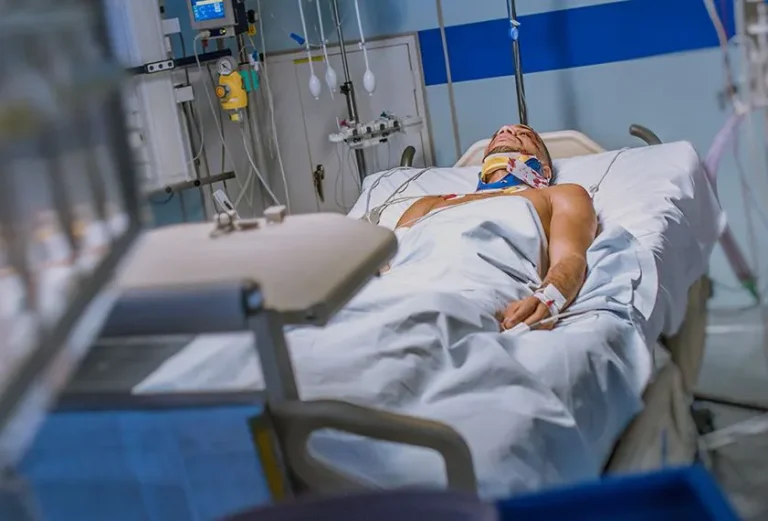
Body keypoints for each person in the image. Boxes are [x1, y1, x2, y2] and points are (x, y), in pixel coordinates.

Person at [393, 124, 597, 332]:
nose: (506, 131)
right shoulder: (429, 203)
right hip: (399, 292)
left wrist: (549, 298)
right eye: (498, 133)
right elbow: (384, 265)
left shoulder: (557, 195)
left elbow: (570, 258)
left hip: (477, 292)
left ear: (544, 170)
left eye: (524, 134)